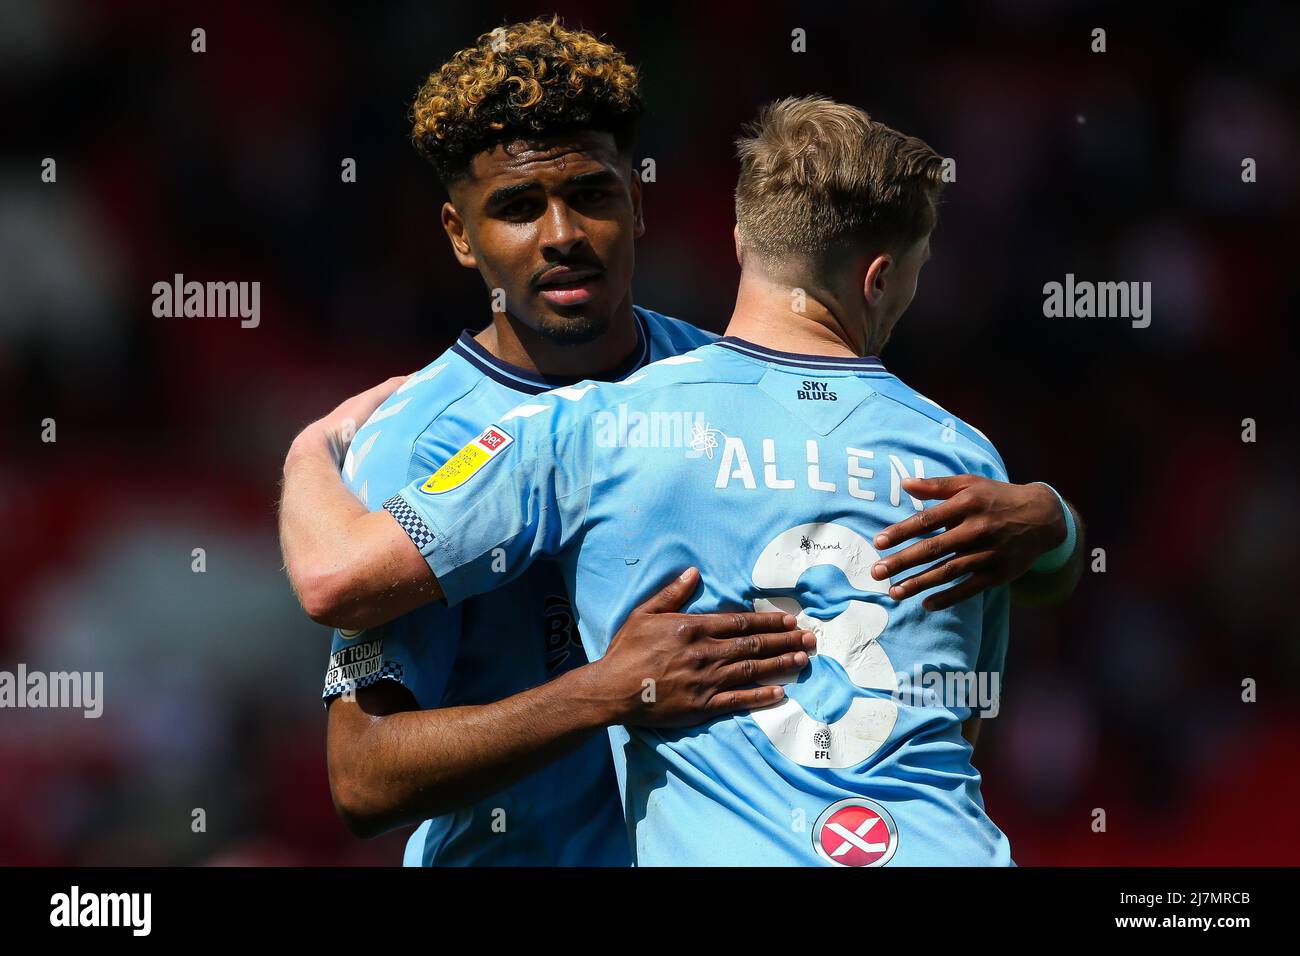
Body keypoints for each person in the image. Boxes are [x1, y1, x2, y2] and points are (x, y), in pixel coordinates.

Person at [281, 23, 1082, 866]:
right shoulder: (419, 444)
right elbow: (362, 777)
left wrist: (1049, 517)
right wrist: (601, 694)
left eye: (591, 194)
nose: (562, 234)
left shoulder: (716, 379)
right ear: (459, 233)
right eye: (517, 208)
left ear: (639, 200)